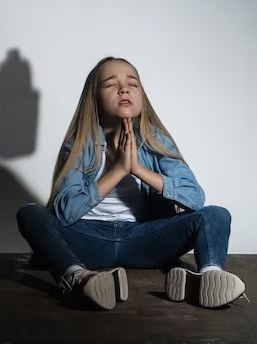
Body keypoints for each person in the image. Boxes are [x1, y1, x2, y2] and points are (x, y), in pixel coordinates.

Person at [17, 57, 246, 310]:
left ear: (141, 96)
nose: (123, 89)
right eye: (110, 84)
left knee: (216, 215)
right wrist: (117, 171)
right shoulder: (80, 145)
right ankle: (80, 278)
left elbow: (194, 198)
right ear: (93, 98)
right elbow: (65, 213)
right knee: (30, 213)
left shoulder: (155, 140)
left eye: (132, 84)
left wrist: (138, 170)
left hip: (144, 240)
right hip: (88, 241)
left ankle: (208, 276)